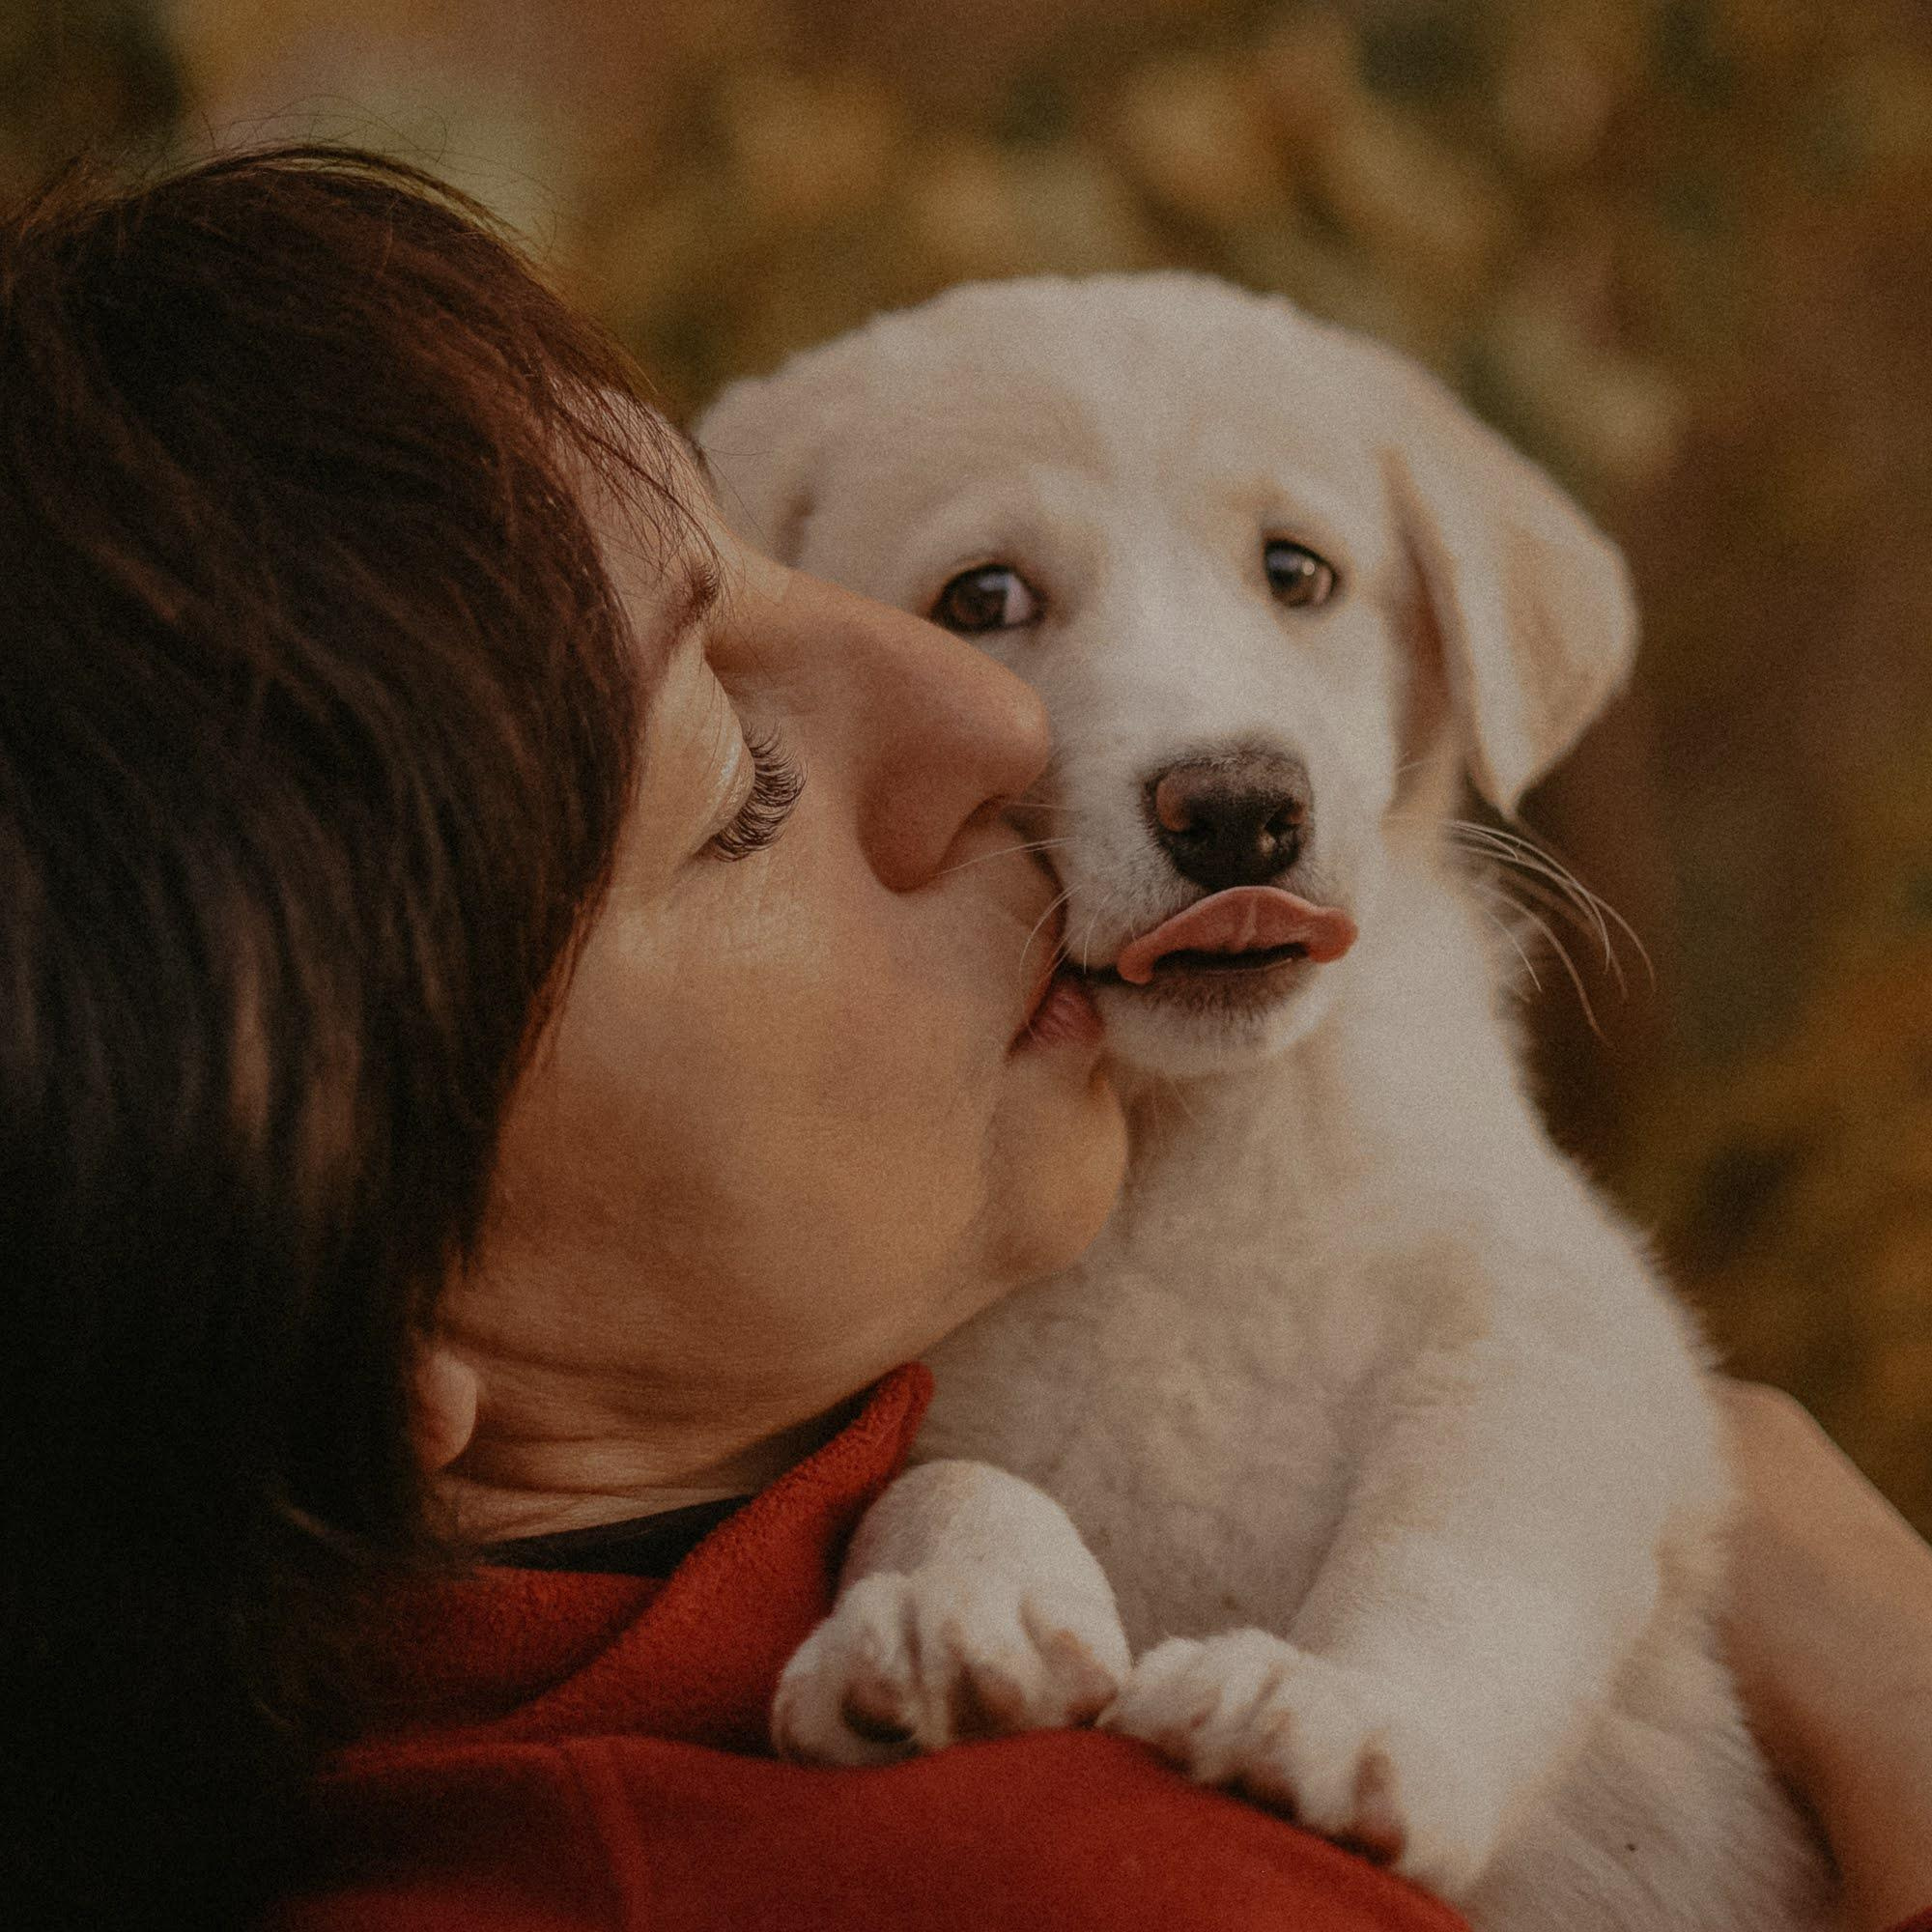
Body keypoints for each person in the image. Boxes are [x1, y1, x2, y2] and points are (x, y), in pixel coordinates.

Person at [0, 146, 1925, 1932]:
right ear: (348, 1297)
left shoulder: (802, 1509)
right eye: (738, 789)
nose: (999, 729)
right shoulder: (1061, 1880)